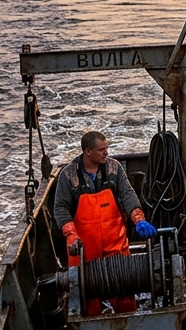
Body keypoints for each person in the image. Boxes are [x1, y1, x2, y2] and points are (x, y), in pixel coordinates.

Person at [53, 130, 159, 315]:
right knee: (86, 296)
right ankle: (92, 328)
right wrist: (71, 235)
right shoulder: (68, 175)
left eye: (107, 148)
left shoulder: (114, 168)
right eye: (101, 150)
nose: (106, 153)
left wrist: (138, 219)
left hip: (114, 241)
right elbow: (61, 207)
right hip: (84, 247)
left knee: (125, 290)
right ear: (88, 151)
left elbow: (127, 194)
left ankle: (129, 322)